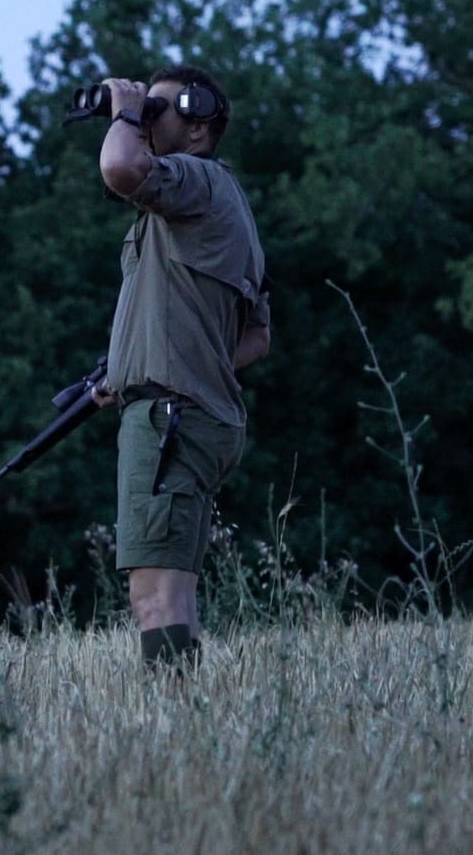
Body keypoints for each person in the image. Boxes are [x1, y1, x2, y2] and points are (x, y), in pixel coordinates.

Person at [88, 64, 271, 675]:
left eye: (155, 110)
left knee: (154, 597)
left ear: (197, 129)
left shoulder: (196, 179)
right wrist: (133, 365)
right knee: (176, 594)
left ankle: (172, 722)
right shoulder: (218, 204)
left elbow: (119, 169)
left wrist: (121, 111)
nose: (141, 120)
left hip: (169, 419)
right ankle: (188, 722)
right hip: (190, 415)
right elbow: (256, 338)